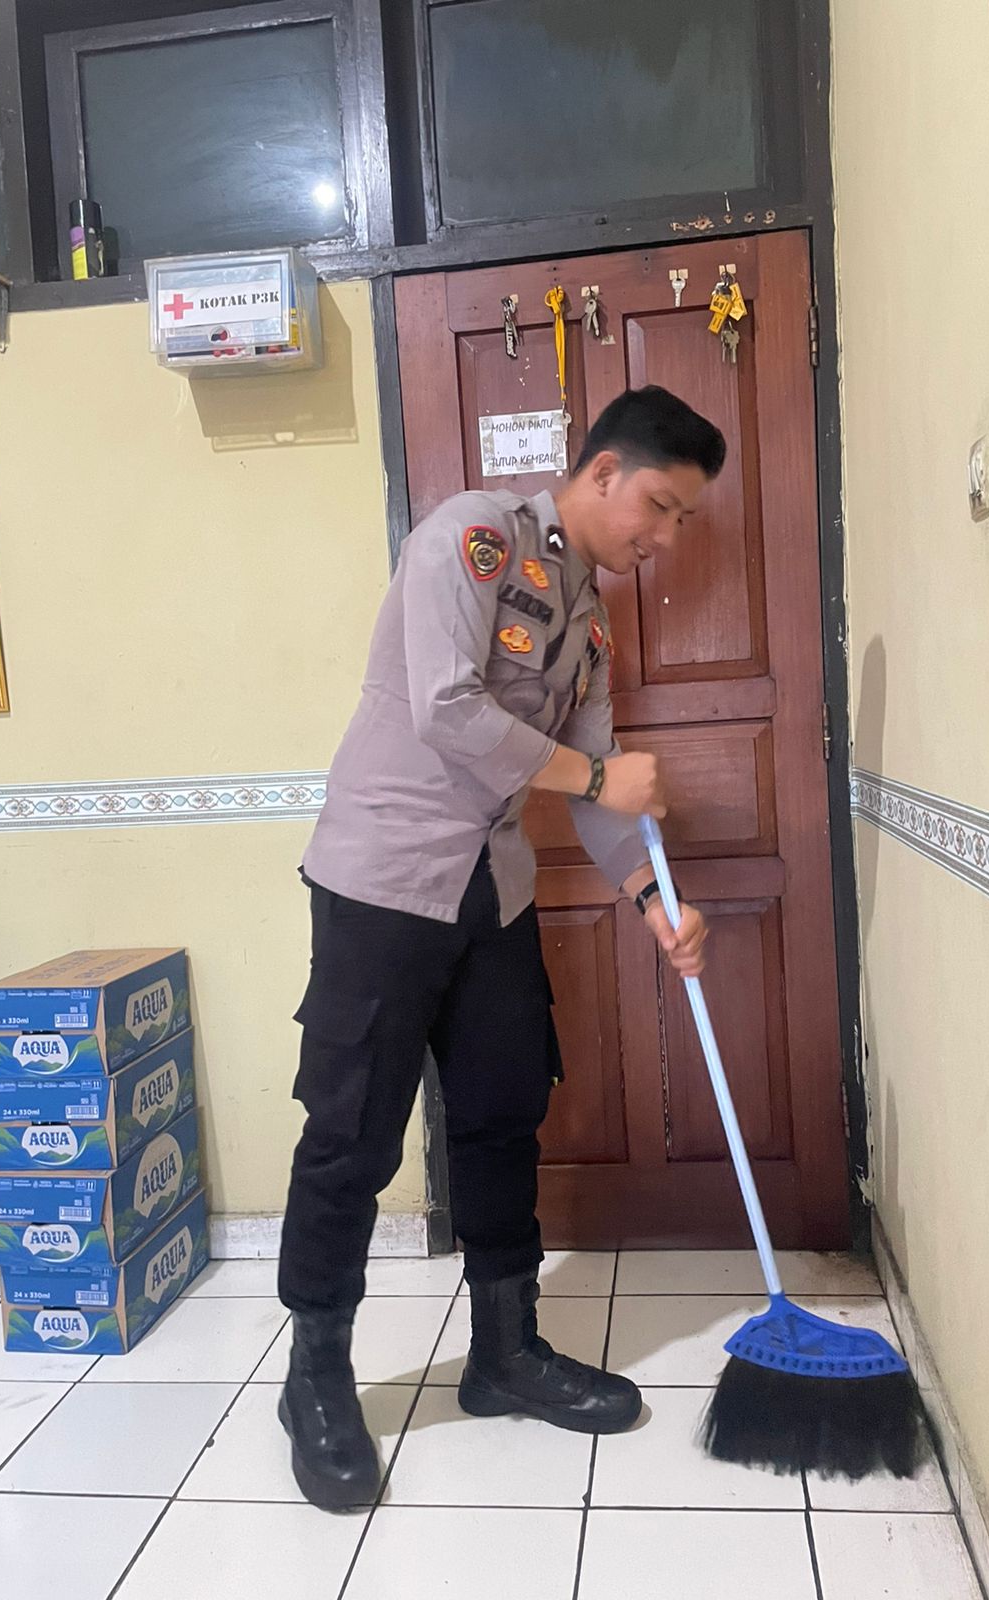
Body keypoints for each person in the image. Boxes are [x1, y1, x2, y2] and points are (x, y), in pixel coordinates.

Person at [278, 385, 727, 1511]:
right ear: (604, 472)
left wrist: (651, 901)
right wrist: (599, 776)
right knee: (351, 1131)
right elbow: (447, 707)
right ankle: (315, 1374)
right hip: (382, 884)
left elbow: (597, 792)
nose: (666, 539)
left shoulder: (590, 621)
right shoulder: (470, 540)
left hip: (493, 893)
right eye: (661, 507)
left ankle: (504, 1350)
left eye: (682, 521)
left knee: (502, 1110)